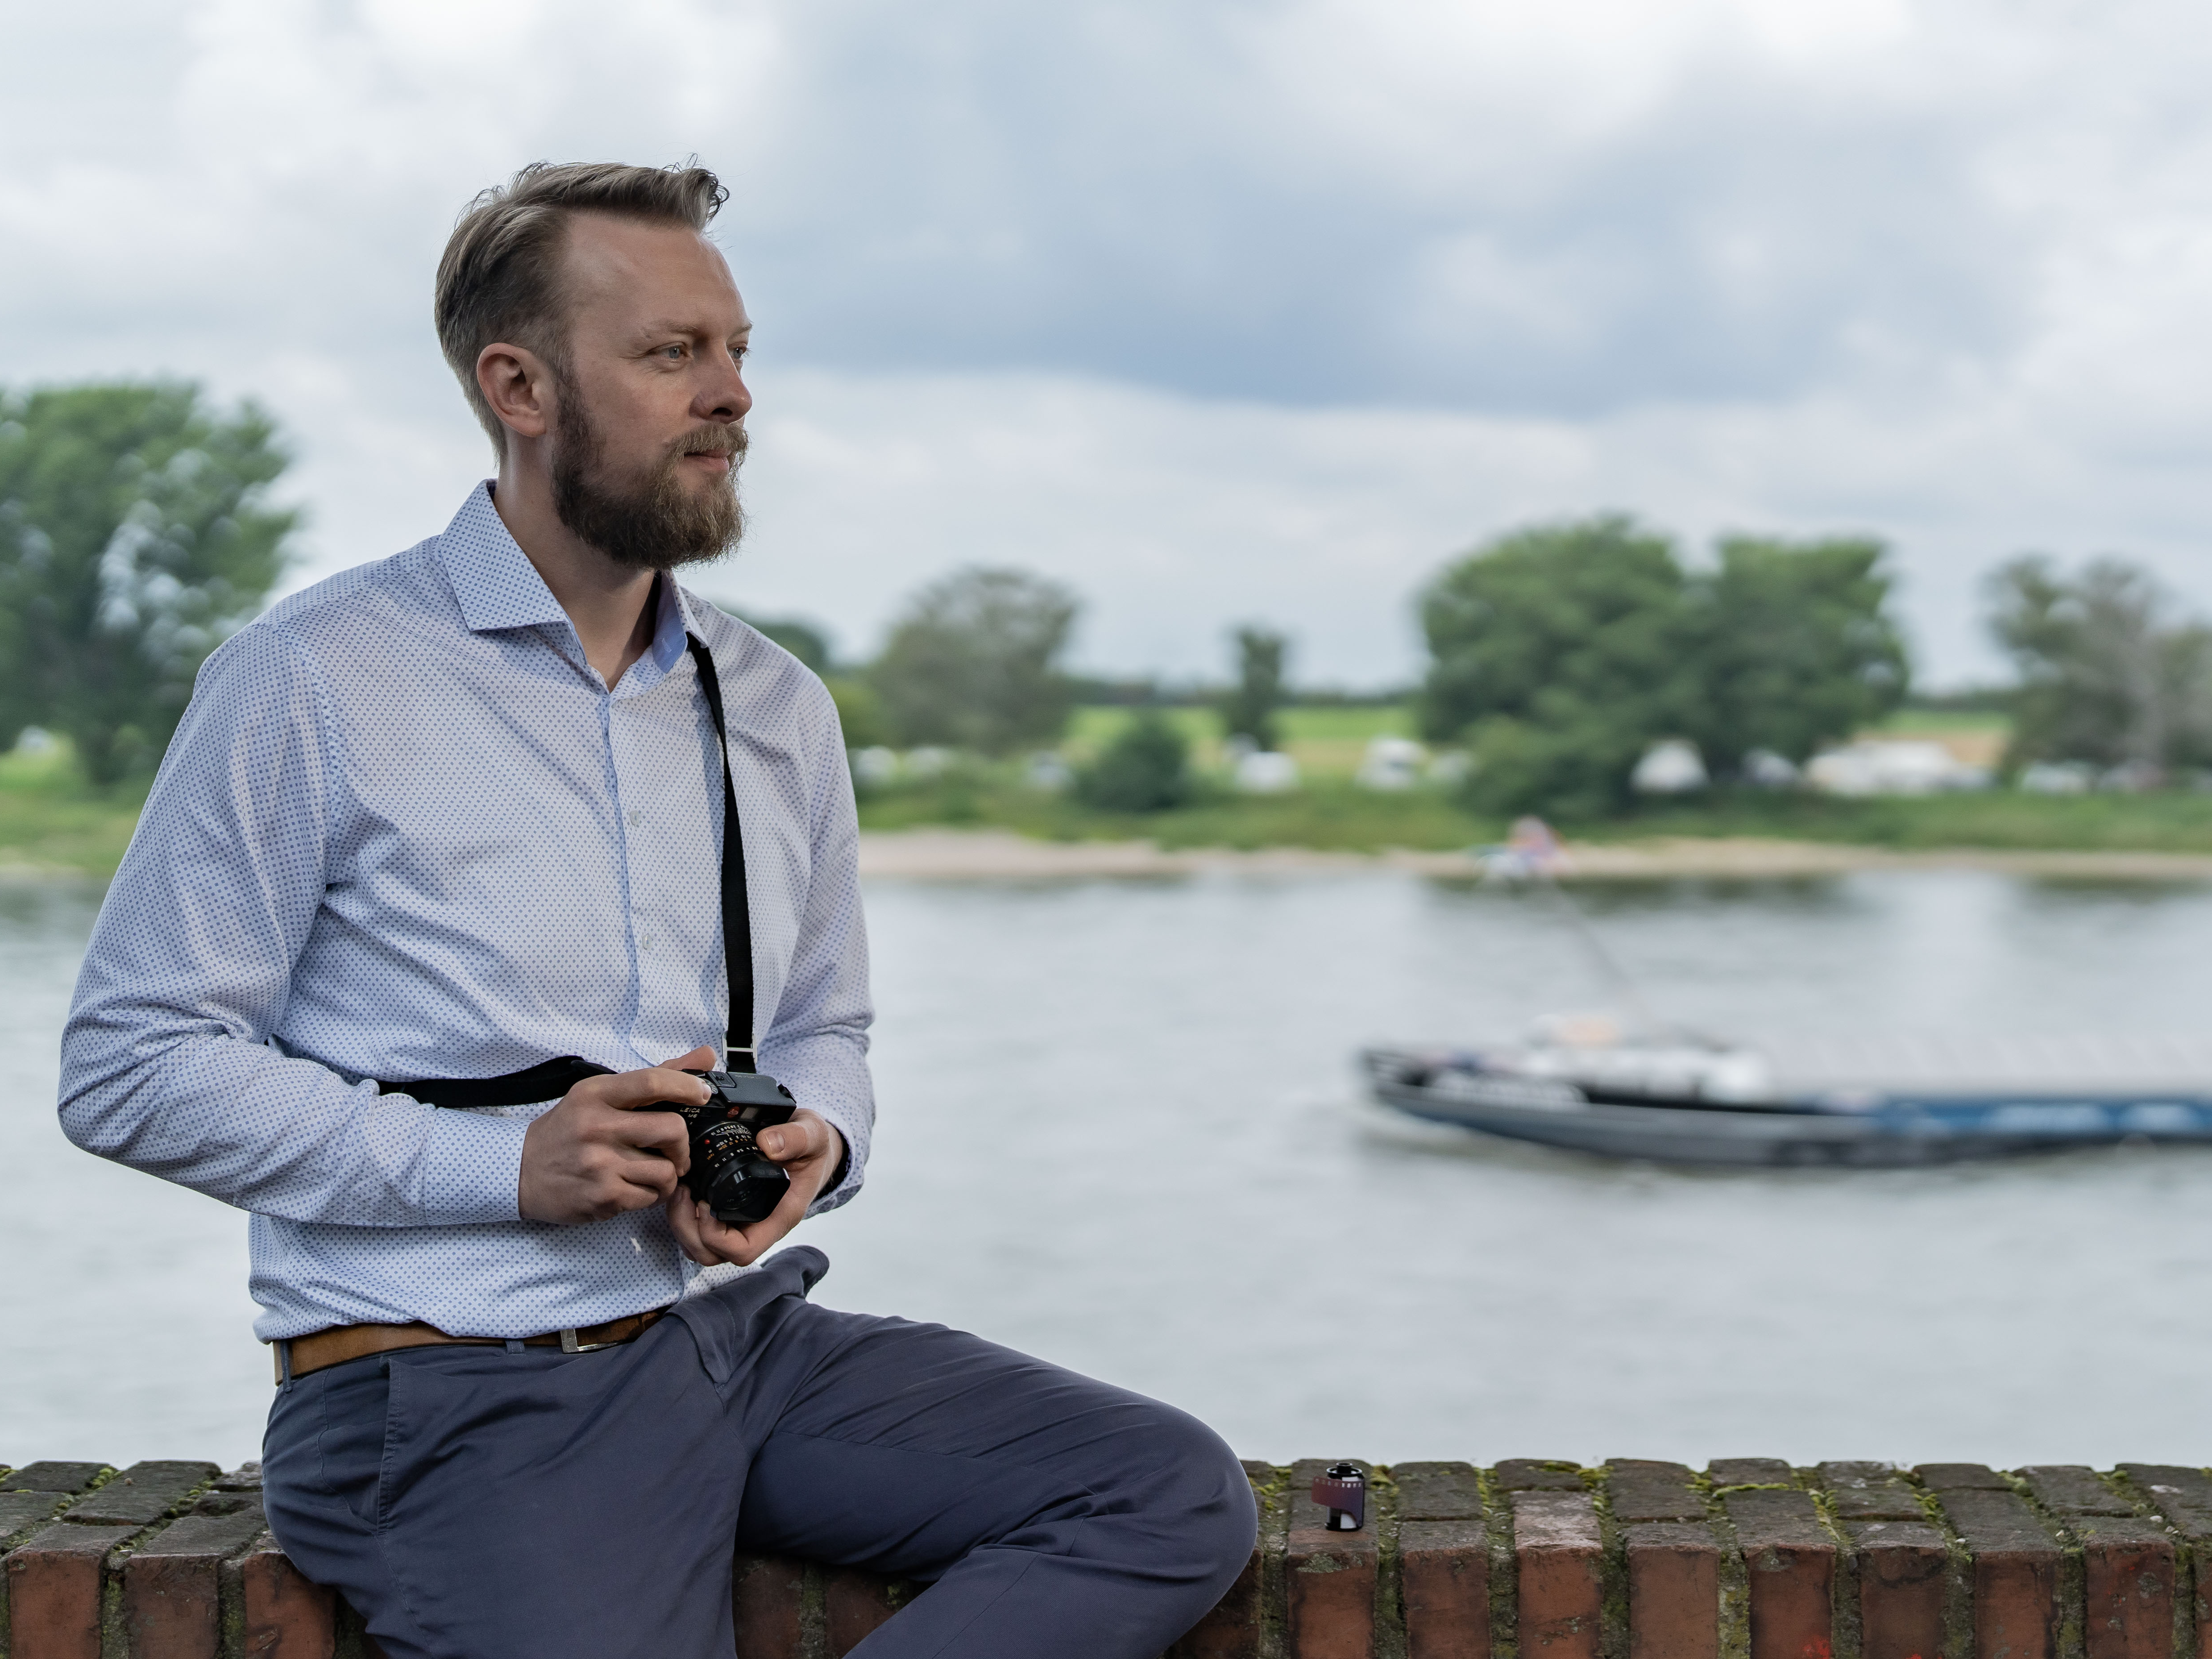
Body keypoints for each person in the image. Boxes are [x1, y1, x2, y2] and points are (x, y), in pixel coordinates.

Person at [57, 161, 1254, 1658]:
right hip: (447, 1393)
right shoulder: (313, 677)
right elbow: (129, 1064)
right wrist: (496, 1166)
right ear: (519, 385)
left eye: (737, 349)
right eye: (672, 353)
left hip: (726, 1345)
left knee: (1161, 1491)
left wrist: (822, 1134)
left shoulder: (771, 702)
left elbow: (826, 1021)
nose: (732, 395)